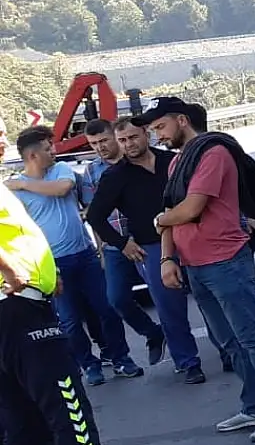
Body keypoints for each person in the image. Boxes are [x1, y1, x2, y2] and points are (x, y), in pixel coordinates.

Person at [0, 178, 150, 445]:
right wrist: (13, 272)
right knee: (71, 417)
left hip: (14, 312)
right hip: (18, 310)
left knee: (21, 428)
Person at [145, 98, 255, 442]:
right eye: (153, 130)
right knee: (228, 341)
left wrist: (160, 221)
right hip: (195, 265)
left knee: (253, 338)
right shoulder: (178, 163)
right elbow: (172, 210)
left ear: (181, 120)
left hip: (226, 261)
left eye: (160, 127)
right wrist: (168, 258)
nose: (158, 136)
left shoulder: (213, 154)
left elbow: (190, 208)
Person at [5, 126, 143, 387]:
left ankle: (120, 358)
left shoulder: (59, 171)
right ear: (33, 156)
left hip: (85, 255)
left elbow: (62, 189)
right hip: (53, 263)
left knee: (107, 309)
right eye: (47, 149)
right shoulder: (12, 193)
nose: (54, 152)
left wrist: (23, 183)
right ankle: (88, 365)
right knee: (69, 321)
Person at [85, 118, 205, 383]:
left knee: (208, 298)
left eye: (133, 137)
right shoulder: (115, 176)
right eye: (123, 140)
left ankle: (229, 351)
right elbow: (95, 216)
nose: (129, 144)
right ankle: (188, 362)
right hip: (151, 247)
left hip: (191, 237)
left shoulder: (171, 161)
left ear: (146, 134)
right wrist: (121, 243)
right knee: (169, 307)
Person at [82, 119, 167, 367]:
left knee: (162, 295)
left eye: (104, 141)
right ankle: (153, 333)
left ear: (116, 136)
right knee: (116, 298)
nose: (100, 147)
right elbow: (92, 212)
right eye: (94, 144)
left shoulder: (139, 161)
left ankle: (182, 351)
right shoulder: (90, 172)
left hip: (146, 239)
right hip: (116, 246)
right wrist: (105, 248)